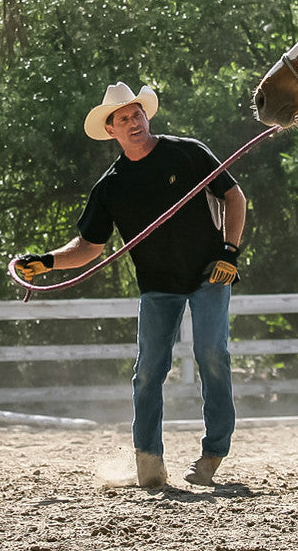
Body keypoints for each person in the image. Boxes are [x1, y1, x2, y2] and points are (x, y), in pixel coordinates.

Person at [14, 81, 246, 489]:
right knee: (147, 372)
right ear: (111, 130)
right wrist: (47, 262)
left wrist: (229, 252)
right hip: (158, 285)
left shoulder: (187, 152)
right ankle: (149, 460)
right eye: (123, 118)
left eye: (136, 114)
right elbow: (88, 246)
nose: (132, 121)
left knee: (212, 353)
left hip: (210, 273)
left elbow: (235, 198)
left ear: (146, 116)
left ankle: (213, 453)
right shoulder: (112, 187)